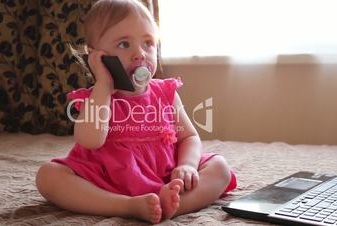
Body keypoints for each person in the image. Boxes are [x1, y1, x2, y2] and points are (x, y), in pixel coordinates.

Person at [36, 0, 236, 224]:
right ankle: (127, 206)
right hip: (107, 182)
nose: (140, 54)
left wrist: (187, 165)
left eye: (148, 43)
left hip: (165, 177)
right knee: (48, 176)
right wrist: (103, 85)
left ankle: (174, 205)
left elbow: (188, 136)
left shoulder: (165, 93)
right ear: (97, 57)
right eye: (124, 44)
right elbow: (90, 140)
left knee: (219, 168)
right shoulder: (98, 97)